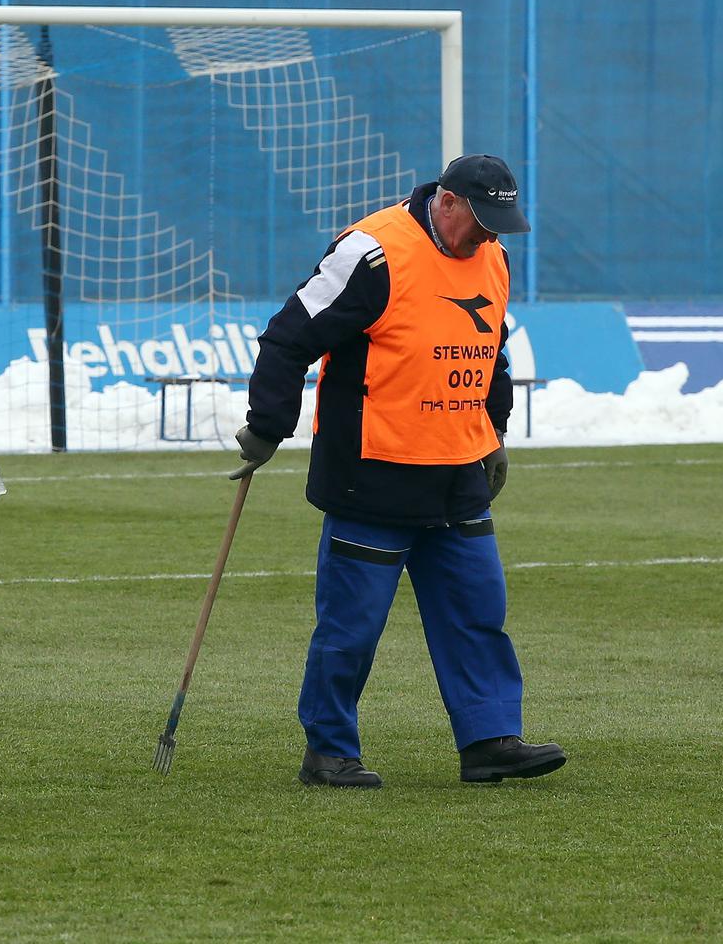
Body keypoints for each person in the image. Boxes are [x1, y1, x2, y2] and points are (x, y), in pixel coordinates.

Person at [231, 154, 565, 788]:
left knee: (477, 613)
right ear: (446, 203)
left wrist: (492, 434)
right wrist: (268, 425)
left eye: (501, 223)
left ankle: (491, 740)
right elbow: (288, 337)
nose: (492, 235)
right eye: (483, 220)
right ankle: (329, 751)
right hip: (372, 474)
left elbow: (486, 350)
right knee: (351, 627)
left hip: (459, 473)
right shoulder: (373, 251)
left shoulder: (493, 256)